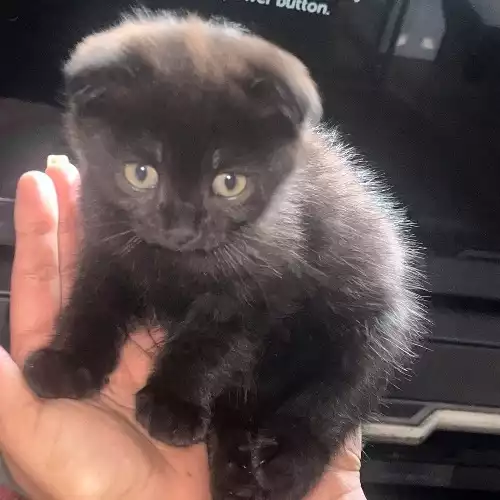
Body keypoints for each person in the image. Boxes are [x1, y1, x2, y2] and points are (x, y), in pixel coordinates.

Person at [0, 160, 365, 499]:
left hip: (325, 328)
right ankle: (232, 433)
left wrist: (315, 432)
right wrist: (82, 351)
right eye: (141, 173)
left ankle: (279, 436)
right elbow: (115, 276)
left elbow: (240, 304)